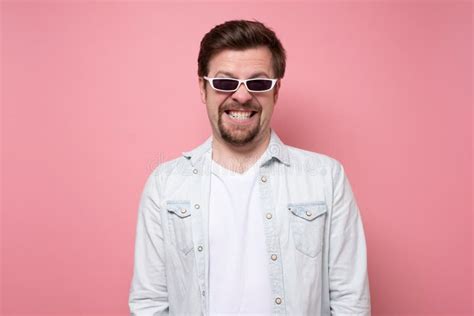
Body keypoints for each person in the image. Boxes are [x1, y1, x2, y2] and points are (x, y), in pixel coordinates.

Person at [129, 19, 371, 316]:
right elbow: (150, 304)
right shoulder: (165, 185)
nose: (242, 96)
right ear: (203, 89)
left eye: (257, 83)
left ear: (276, 91)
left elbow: (351, 303)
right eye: (224, 82)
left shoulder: (326, 178)